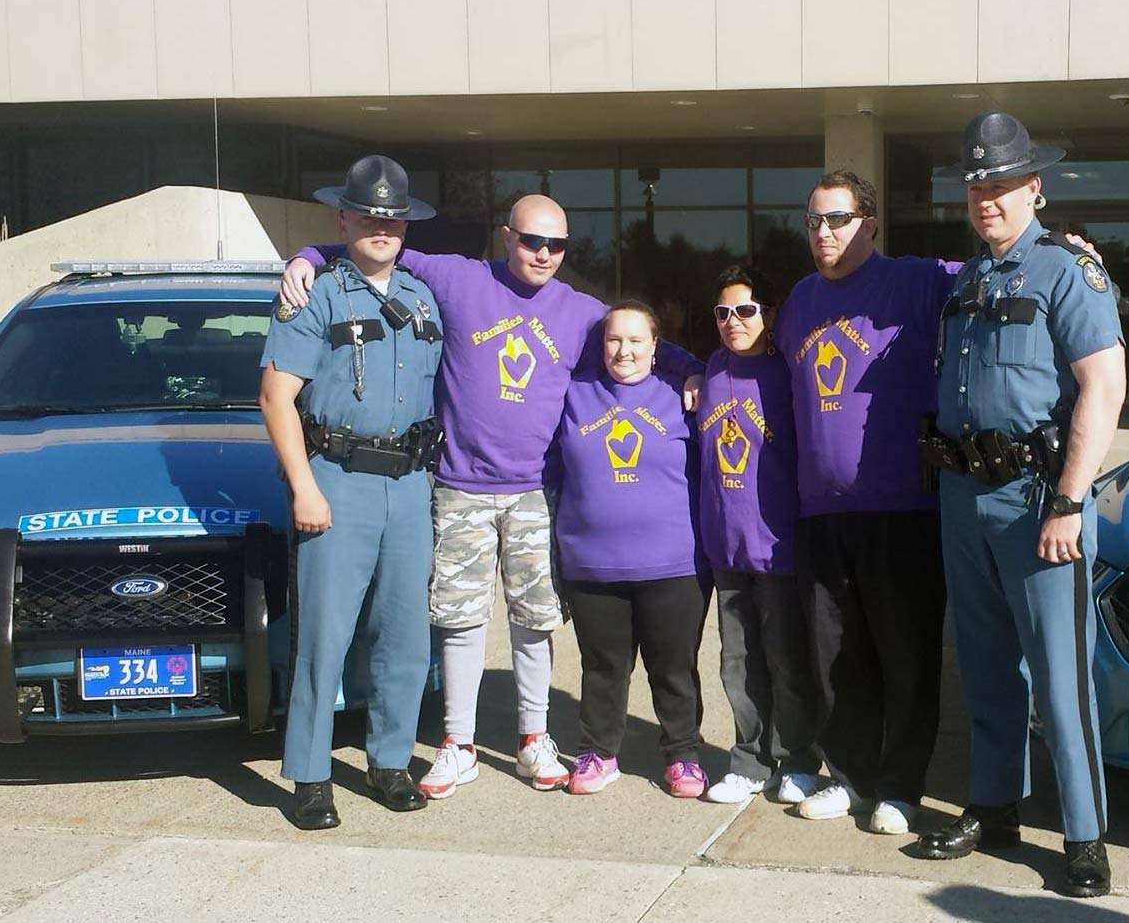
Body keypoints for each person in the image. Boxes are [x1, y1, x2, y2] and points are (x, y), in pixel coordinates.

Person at [278, 198, 703, 800]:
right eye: (532, 241)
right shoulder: (460, 278)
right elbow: (376, 247)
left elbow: (636, 335)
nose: (545, 254)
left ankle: (534, 737)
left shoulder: (581, 312)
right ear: (507, 236)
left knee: (533, 621)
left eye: (557, 245)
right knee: (459, 618)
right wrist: (304, 256)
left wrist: (693, 371)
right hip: (459, 487)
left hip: (533, 491)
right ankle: (459, 742)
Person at [909, 111, 1127, 899]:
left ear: (1033, 187)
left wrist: (1070, 501)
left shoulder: (1070, 271)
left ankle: (1083, 834)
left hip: (1041, 504)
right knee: (987, 666)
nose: (987, 199)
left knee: (1062, 678)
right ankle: (994, 806)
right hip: (966, 498)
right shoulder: (968, 279)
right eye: (976, 186)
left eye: (1000, 184)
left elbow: (1104, 387)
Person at [258, 154, 446, 830]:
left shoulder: (424, 297)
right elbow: (276, 397)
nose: (381, 228)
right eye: (369, 215)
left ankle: (390, 760)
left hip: (410, 482)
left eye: (393, 219)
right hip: (335, 480)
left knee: (404, 635)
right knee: (325, 636)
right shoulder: (314, 295)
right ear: (344, 218)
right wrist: (304, 486)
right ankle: (310, 775)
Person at [775, 171, 957, 835]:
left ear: (870, 224)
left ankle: (901, 787)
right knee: (835, 656)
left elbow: (1001, 268)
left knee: (903, 653)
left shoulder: (917, 279)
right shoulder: (797, 300)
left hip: (902, 509)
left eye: (839, 219)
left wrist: (1069, 250)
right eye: (814, 221)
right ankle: (849, 777)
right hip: (822, 512)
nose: (824, 233)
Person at [552, 301, 710, 798]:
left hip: (674, 564)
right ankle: (599, 752)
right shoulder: (572, 392)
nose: (624, 350)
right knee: (602, 668)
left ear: (657, 346)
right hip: (592, 564)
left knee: (674, 668)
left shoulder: (682, 394)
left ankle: (683, 755)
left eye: (636, 340)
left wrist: (695, 369)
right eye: (614, 340)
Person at [695, 266, 820, 805]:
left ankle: (796, 758)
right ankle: (749, 761)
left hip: (778, 546)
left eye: (745, 310)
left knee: (787, 660)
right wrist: (688, 373)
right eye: (722, 312)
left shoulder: (789, 374)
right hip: (726, 548)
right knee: (737, 662)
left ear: (768, 317)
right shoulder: (709, 369)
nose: (732, 322)